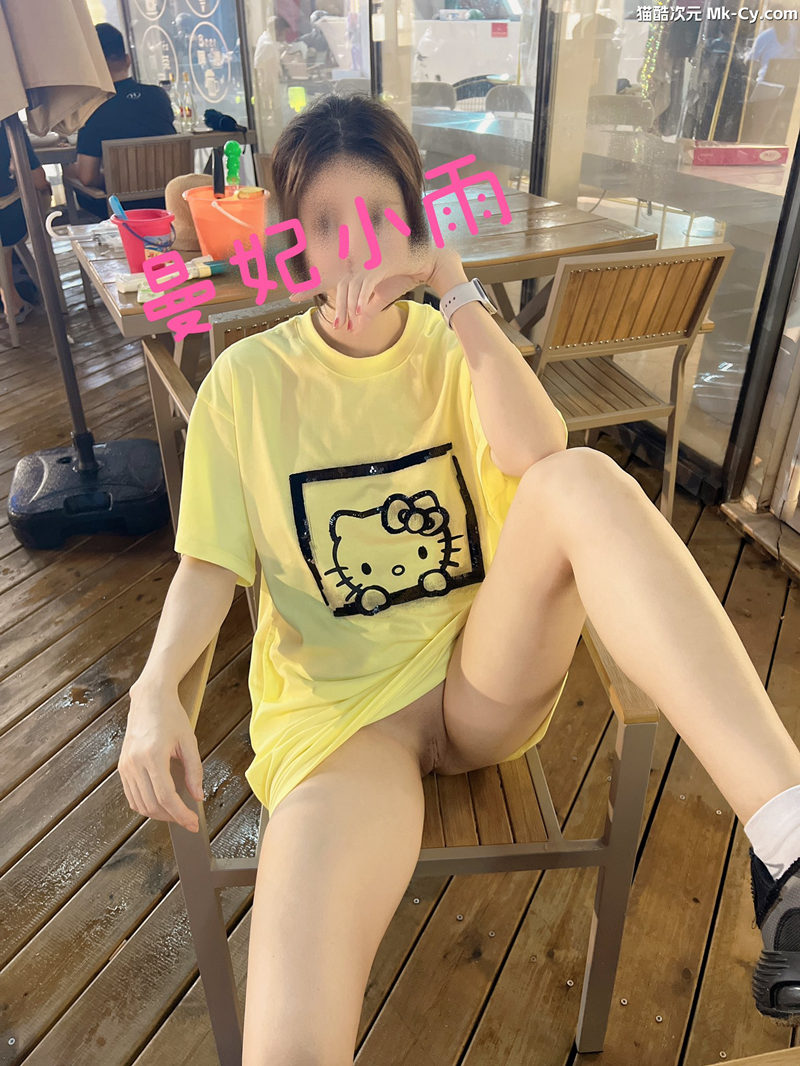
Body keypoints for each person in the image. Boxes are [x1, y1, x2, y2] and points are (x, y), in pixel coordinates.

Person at [118, 92, 800, 1062]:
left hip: (481, 683)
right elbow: (206, 567)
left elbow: (540, 455)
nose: (353, 254)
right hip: (342, 728)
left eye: (378, 223)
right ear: (290, 242)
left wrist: (454, 285)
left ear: (414, 228)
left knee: (580, 478)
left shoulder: (451, 347)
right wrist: (153, 688)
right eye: (323, 227)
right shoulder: (246, 383)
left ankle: (789, 841)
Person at [65, 22, 175, 218]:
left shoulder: (93, 107)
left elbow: (87, 177)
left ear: (93, 66)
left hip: (120, 209)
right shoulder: (159, 96)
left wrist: (69, 171)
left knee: (70, 173)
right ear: (127, 59)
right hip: (165, 200)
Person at [0, 124, 50, 325]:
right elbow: (38, 179)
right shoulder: (8, 123)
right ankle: (11, 297)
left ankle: (10, 293)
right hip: (8, 224)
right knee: (38, 191)